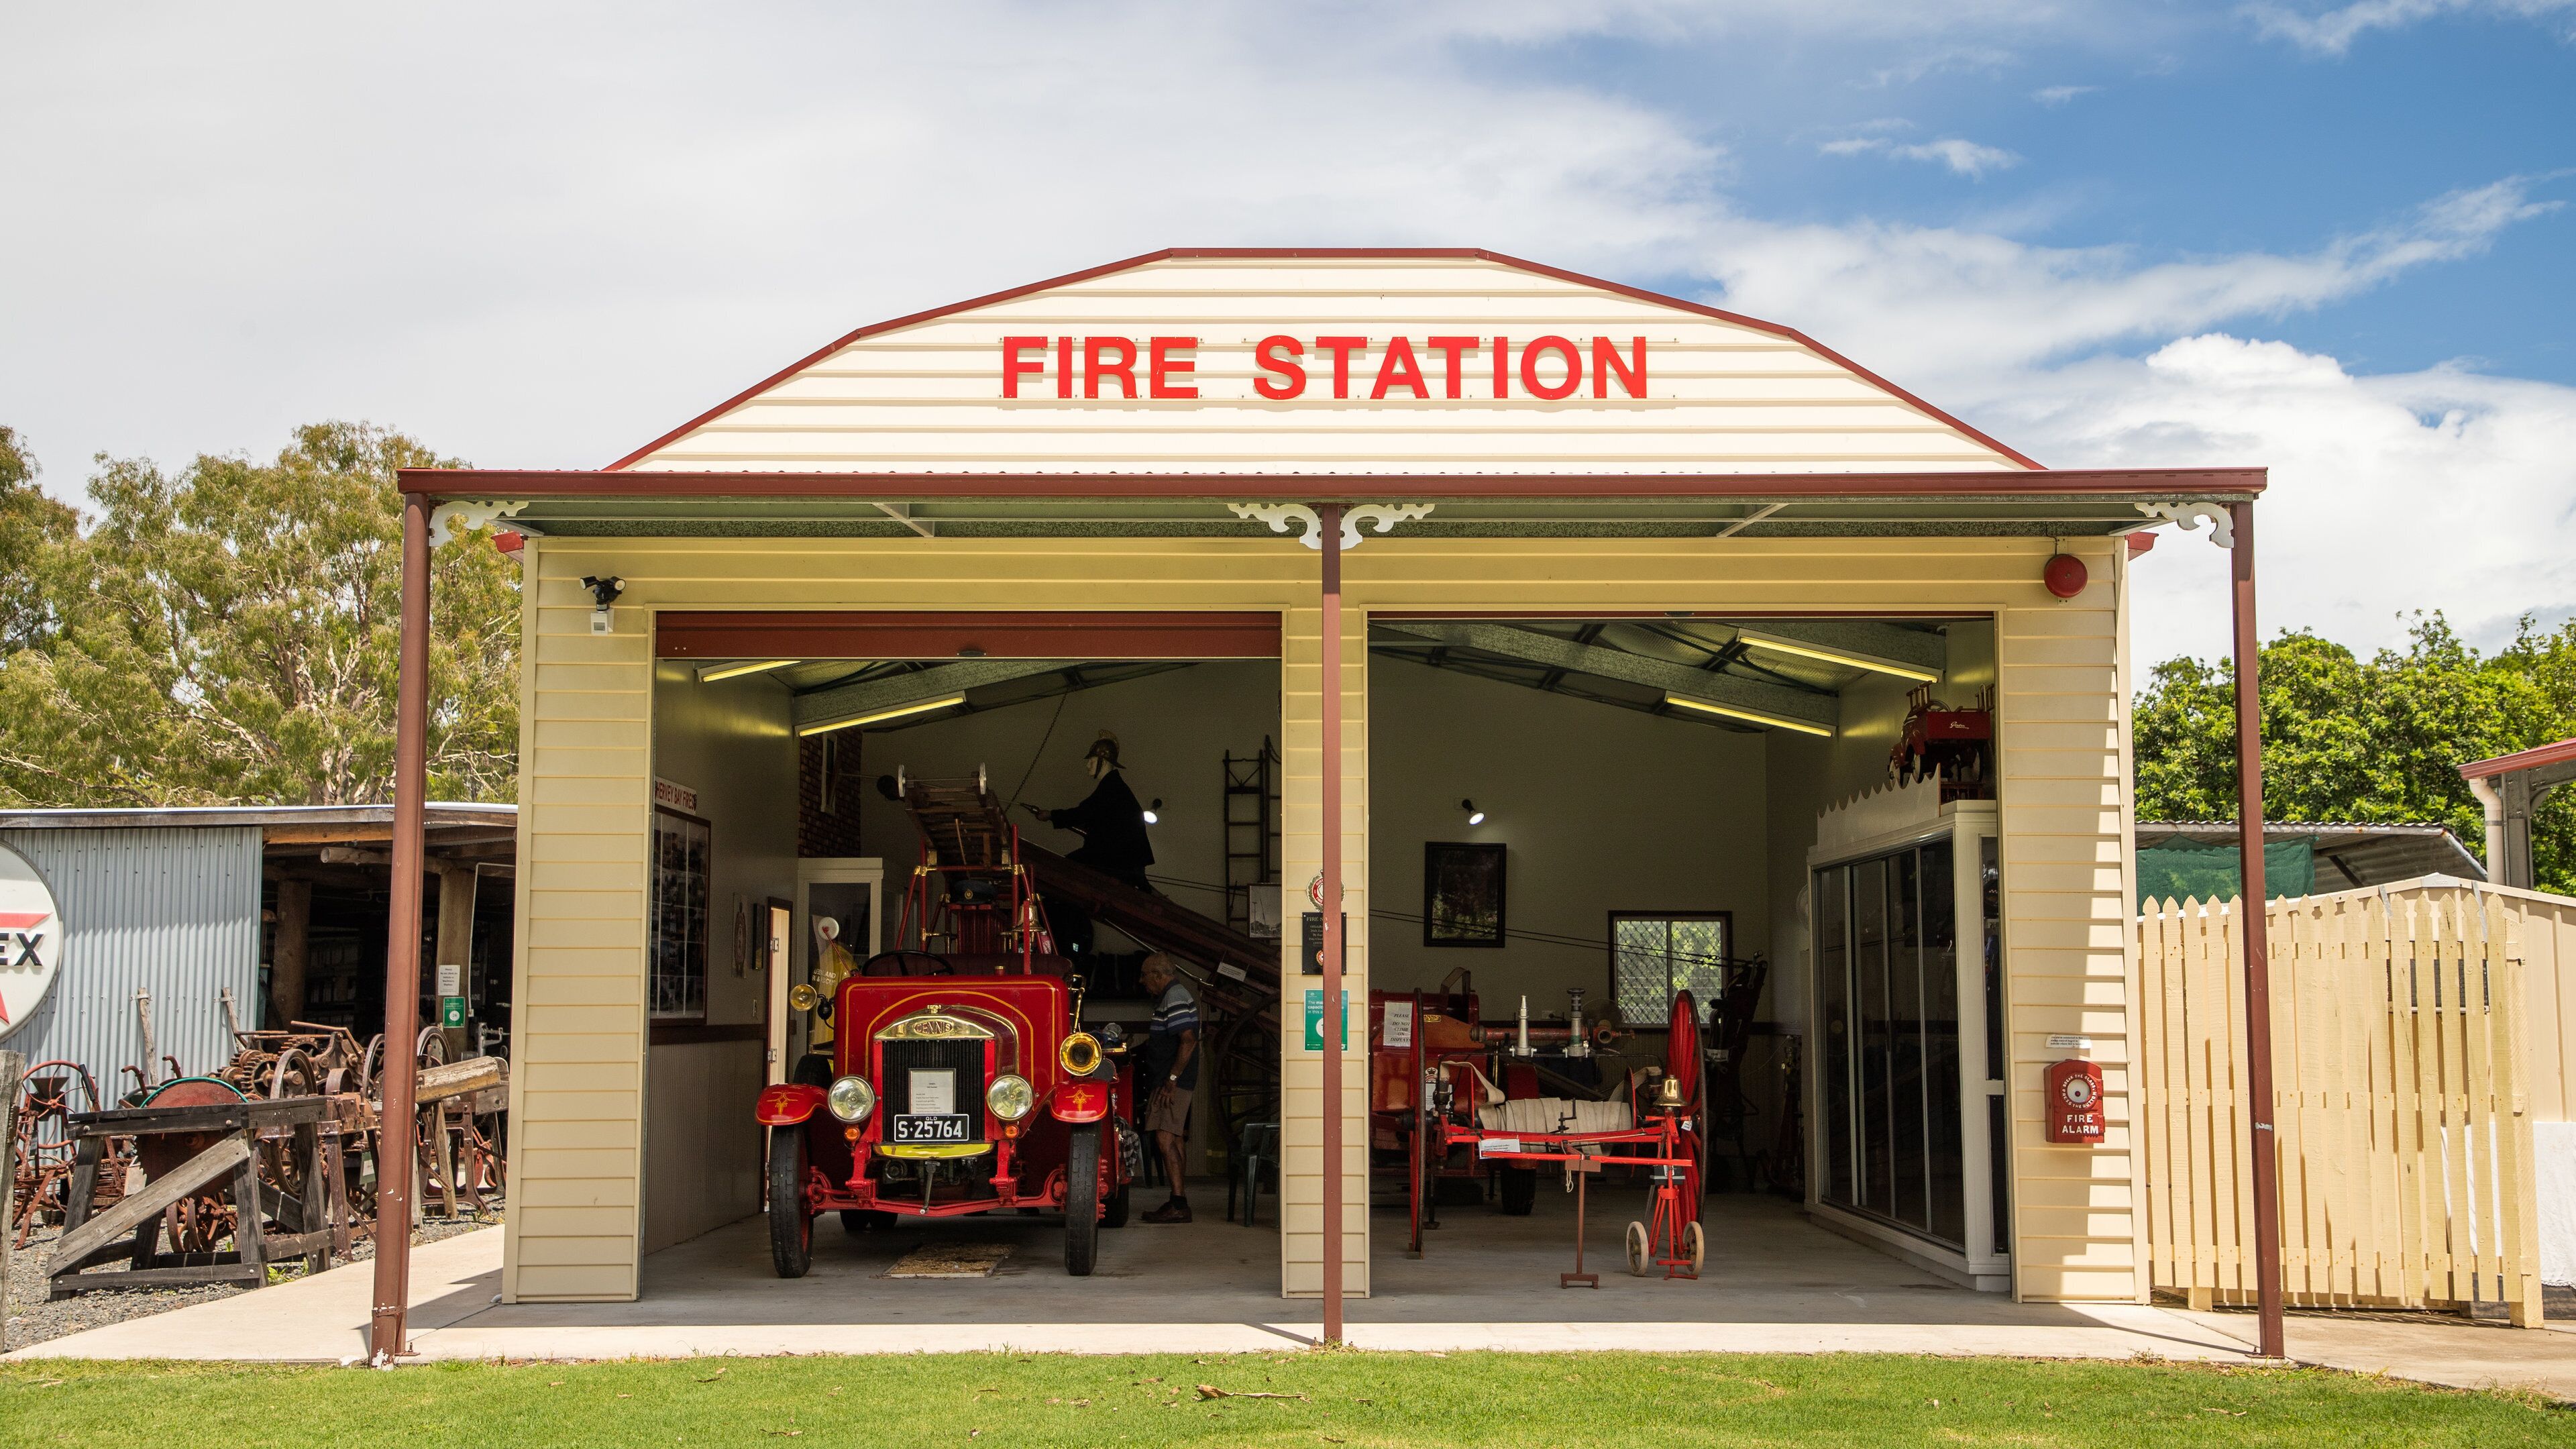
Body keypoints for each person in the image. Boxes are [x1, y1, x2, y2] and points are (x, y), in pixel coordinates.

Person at [1022, 732, 1154, 892]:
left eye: (1091, 761)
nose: (1088, 765)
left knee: (1064, 870)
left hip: (1116, 859)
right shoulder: (1113, 786)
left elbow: (1085, 812)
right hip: (1124, 859)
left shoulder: (1111, 787)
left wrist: (1051, 815)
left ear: (1103, 761)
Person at [1135, 952, 1199, 1223]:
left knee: (1164, 1138)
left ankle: (1178, 1204)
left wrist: (1172, 1080)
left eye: (1145, 975)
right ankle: (1178, 1200)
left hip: (1172, 1083)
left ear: (1159, 975)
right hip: (1173, 1081)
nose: (1142, 981)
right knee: (1173, 1137)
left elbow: (1188, 1040)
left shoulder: (1174, 996)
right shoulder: (1174, 996)